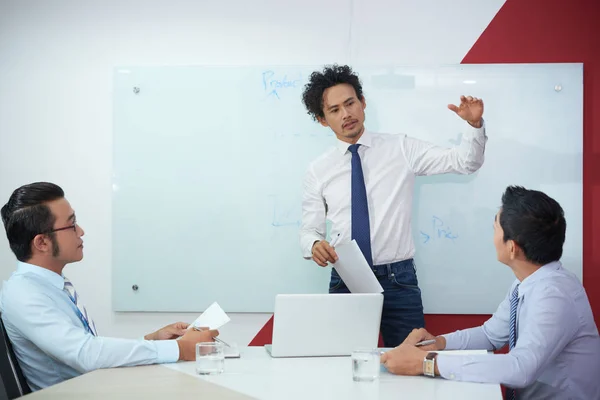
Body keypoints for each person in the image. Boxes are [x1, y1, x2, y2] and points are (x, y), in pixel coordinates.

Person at [299, 64, 487, 346]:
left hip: (398, 280)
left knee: (410, 369)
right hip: (345, 277)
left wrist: (473, 126)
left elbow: (465, 162)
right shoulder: (318, 169)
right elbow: (309, 230)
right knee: (341, 368)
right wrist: (314, 244)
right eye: (334, 110)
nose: (346, 114)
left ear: (363, 103)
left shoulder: (401, 148)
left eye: (350, 103)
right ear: (322, 120)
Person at [380, 186, 600, 400]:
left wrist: (427, 362)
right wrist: (438, 343)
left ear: (512, 247)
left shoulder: (554, 296)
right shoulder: (528, 282)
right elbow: (490, 335)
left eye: (495, 228)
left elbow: (520, 368)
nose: (492, 237)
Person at [0, 182, 219, 391]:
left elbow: (89, 348)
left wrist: (152, 340)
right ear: (42, 243)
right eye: (72, 224)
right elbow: (87, 355)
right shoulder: (23, 294)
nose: (81, 231)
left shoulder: (52, 285)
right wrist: (181, 349)